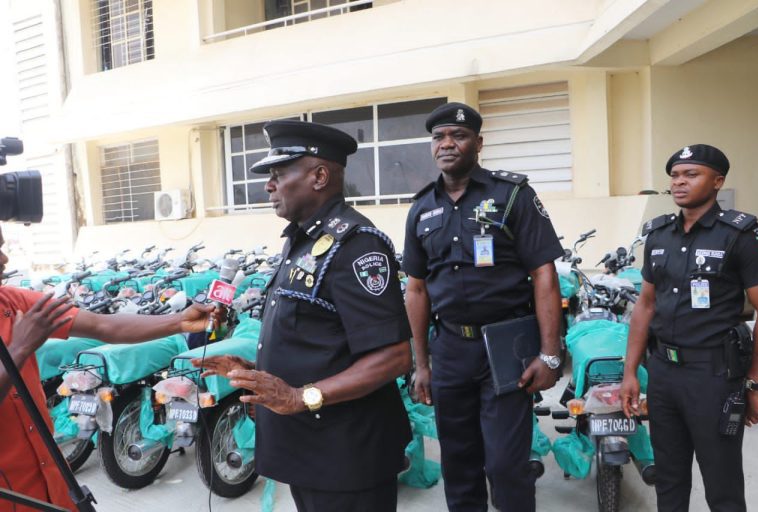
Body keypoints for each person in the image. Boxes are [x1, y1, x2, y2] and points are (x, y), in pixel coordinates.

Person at [193, 120, 412, 512]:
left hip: (347, 457)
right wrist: (253, 369)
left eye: (278, 174)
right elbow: (317, 339)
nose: (268, 185)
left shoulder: (356, 246)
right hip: (310, 451)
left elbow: (393, 357)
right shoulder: (303, 240)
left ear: (320, 176)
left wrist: (299, 395)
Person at [402, 102, 564, 512]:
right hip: (451, 349)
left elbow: (544, 275)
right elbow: (417, 290)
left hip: (506, 347)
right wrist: (421, 363)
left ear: (478, 142)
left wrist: (550, 353)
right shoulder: (421, 207)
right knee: (458, 463)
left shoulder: (512, 196)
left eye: (458, 136)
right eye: (439, 137)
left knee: (507, 465)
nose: (447, 144)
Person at [0, 227, 220, 512]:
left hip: (53, 484)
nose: (4, 258)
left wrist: (179, 321)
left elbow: (104, 325)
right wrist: (18, 350)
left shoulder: (12, 303)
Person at [620, 144, 758, 512]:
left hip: (714, 375)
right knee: (668, 480)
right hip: (664, 373)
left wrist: (755, 384)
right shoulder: (658, 235)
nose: (679, 182)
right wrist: (630, 372)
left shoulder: (739, 233)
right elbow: (645, 305)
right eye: (674, 175)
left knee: (722, 484)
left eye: (691, 174)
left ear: (717, 182)